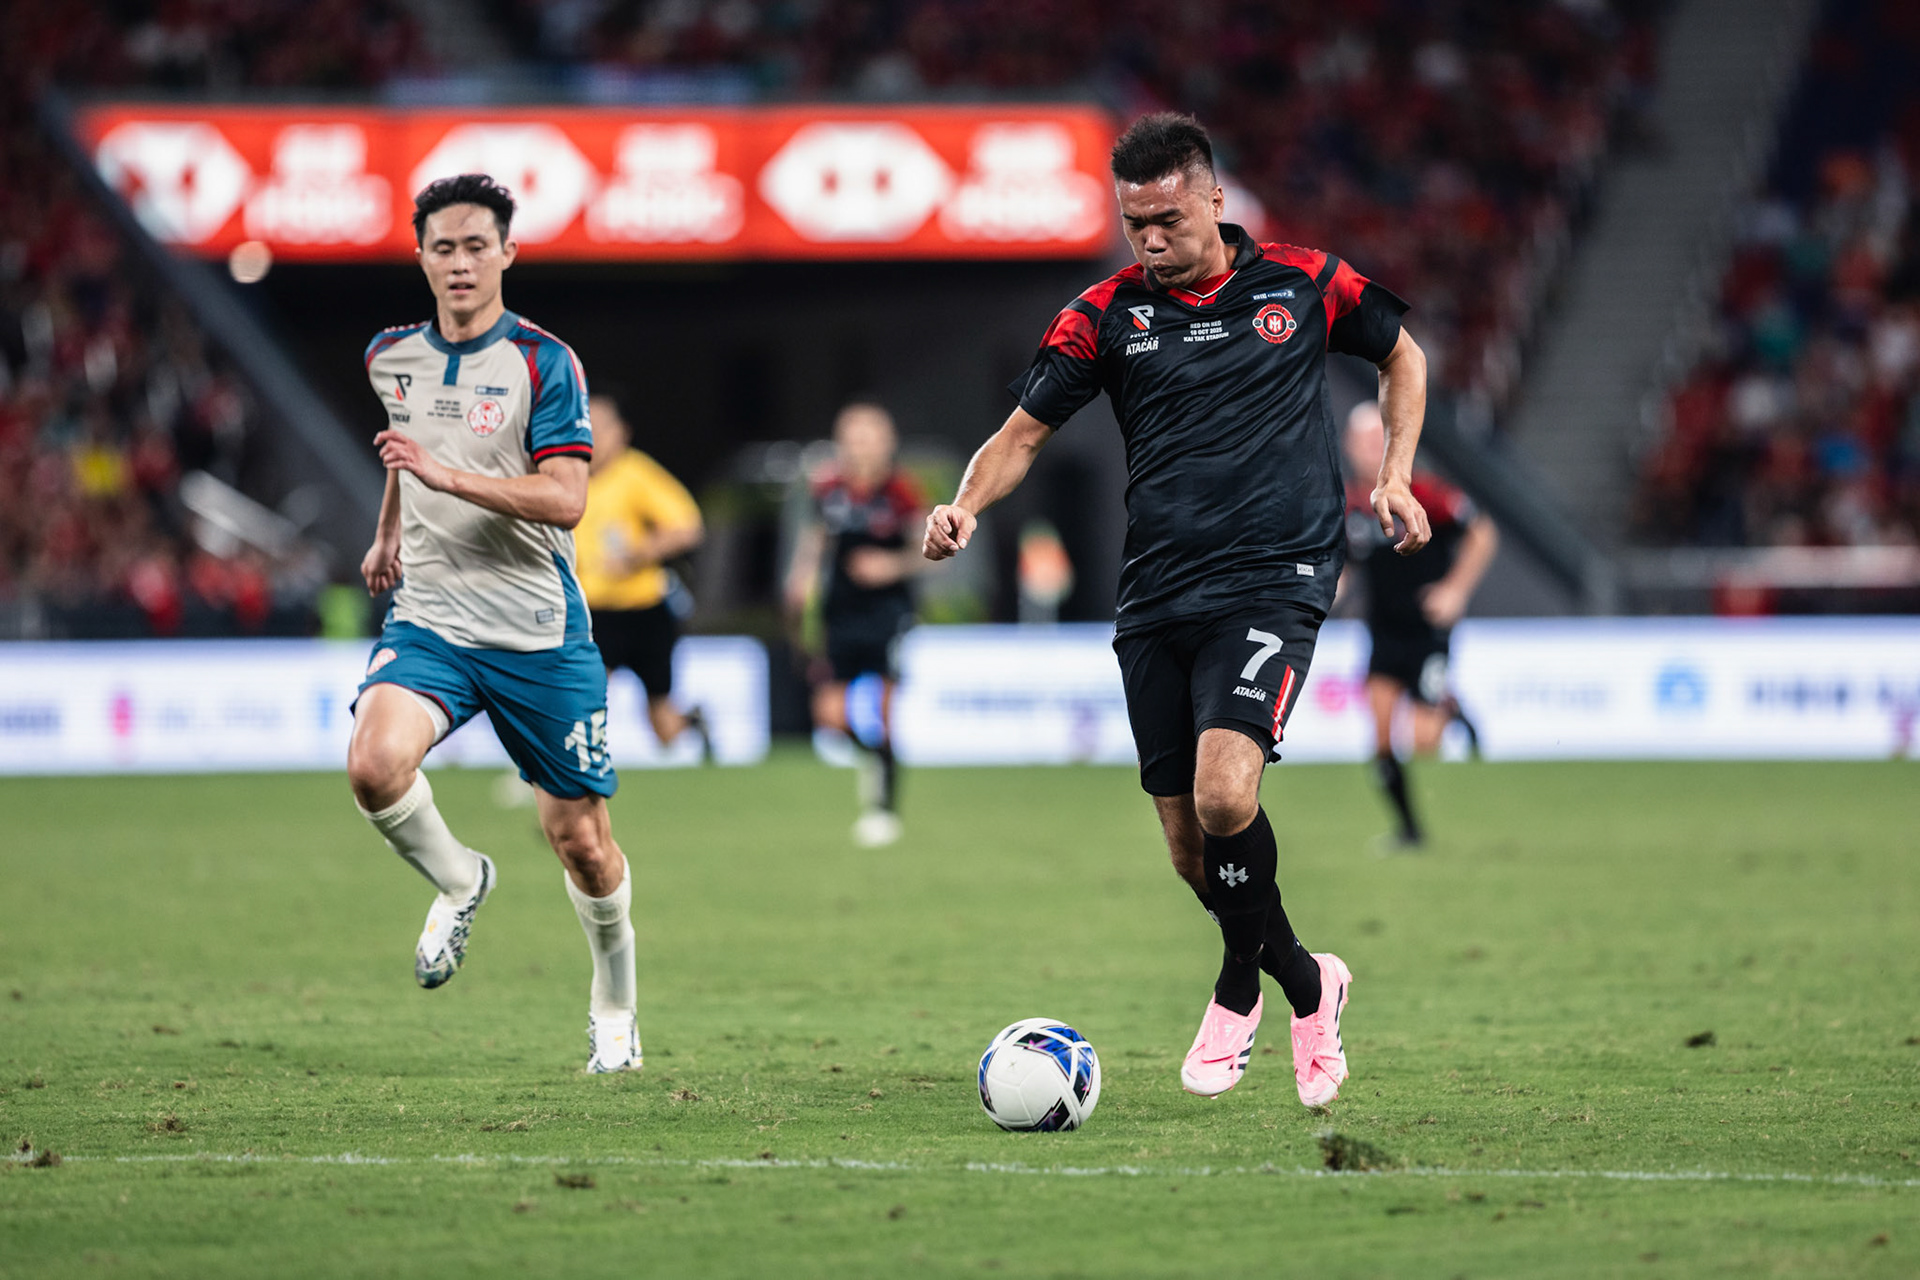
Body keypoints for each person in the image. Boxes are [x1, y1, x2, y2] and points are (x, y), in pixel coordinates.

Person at [923, 113, 1433, 1107]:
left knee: (1225, 794)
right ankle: (1303, 978)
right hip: (1156, 586)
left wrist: (1397, 475)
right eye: (1132, 222)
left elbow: (1402, 355)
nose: (1148, 240)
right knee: (1189, 846)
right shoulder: (1104, 313)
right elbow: (1024, 432)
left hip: (1278, 571)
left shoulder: (1305, 281)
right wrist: (965, 506)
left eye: (1166, 218)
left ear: (1213, 201)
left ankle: (1238, 985)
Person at [349, 173, 641, 1074]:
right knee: (373, 765)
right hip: (433, 615)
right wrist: (390, 523)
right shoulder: (388, 356)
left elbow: (566, 500)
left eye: (479, 245)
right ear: (422, 257)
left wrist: (449, 478)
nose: (463, 262)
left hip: (538, 632)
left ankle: (615, 1006)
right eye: (445, 247)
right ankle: (460, 876)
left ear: (507, 254)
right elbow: (406, 444)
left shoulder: (545, 363)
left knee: (582, 845)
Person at [1341, 401, 1498, 848]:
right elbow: (1346, 565)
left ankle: (1450, 709)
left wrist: (1455, 589)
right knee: (1381, 738)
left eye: (1379, 439)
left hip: (1428, 631)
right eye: (1364, 441)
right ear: (1351, 447)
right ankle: (1409, 831)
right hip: (1383, 631)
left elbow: (1482, 532)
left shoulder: (1423, 493)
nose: (1372, 449)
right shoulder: (1352, 504)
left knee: (1425, 741)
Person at [785, 402, 927, 848]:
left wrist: (890, 564)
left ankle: (884, 811)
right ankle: (875, 762)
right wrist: (801, 575)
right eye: (852, 436)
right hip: (840, 612)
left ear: (887, 442)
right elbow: (816, 539)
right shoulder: (827, 486)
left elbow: (931, 550)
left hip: (888, 613)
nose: (860, 445)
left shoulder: (902, 490)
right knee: (829, 717)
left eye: (868, 436)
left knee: (884, 714)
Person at [573, 385, 712, 758]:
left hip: (645, 610)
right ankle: (567, 773)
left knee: (663, 728)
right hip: (594, 612)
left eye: (603, 426)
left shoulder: (636, 474)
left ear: (622, 432)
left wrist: (636, 555)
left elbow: (688, 527)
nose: (594, 435)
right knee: (583, 695)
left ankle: (692, 721)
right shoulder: (567, 476)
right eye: (587, 424)